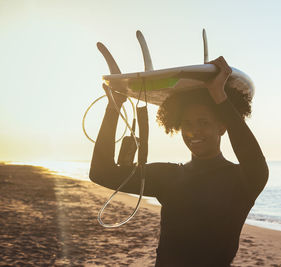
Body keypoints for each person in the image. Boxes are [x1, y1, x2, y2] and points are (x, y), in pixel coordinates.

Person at [89, 55, 269, 267]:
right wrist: (114, 107)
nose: (194, 131)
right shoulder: (168, 177)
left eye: (203, 122)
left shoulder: (243, 179)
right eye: (187, 123)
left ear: (222, 127)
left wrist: (219, 96)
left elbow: (251, 155)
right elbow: (102, 172)